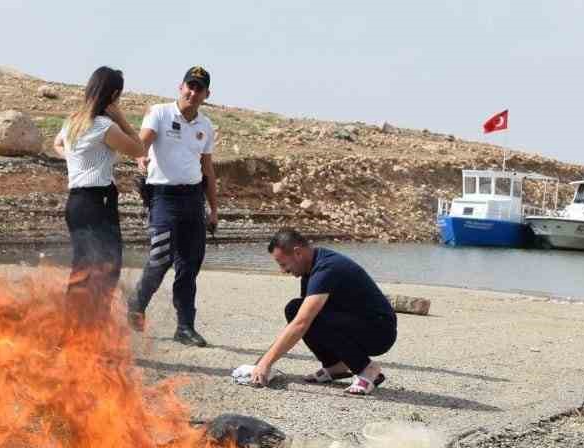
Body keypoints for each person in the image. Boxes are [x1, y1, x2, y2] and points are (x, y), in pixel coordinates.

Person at [241, 228, 396, 395]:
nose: (283, 271)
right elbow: (300, 320)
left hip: (379, 331)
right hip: (357, 322)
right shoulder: (310, 268)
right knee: (295, 308)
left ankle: (367, 369)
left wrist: (265, 363)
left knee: (308, 317)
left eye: (283, 264)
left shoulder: (326, 268)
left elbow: (301, 323)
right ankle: (335, 366)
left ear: (298, 253)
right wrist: (262, 361)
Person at [128, 65, 219, 347]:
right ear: (180, 87)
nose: (193, 92)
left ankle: (185, 327)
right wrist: (140, 158)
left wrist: (213, 208)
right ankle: (136, 306)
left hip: (193, 199)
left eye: (199, 88)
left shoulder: (205, 126)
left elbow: (208, 169)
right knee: (160, 258)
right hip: (163, 197)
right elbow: (142, 144)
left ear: (206, 94)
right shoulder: (160, 113)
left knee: (189, 266)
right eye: (189, 86)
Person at [51, 66, 145, 322]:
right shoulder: (104, 126)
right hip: (98, 202)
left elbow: (56, 144)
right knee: (107, 268)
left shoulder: (72, 121)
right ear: (114, 95)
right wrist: (122, 118)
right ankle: (94, 328)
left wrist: (73, 160)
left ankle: (72, 329)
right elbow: (139, 149)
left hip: (76, 202)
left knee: (82, 268)